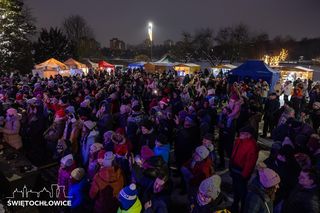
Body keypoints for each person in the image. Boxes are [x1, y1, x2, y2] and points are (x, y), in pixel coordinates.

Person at [229, 125, 259, 213]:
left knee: (242, 192)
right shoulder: (239, 140)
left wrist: (244, 175)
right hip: (234, 169)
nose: (239, 135)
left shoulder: (252, 146)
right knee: (235, 189)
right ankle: (235, 206)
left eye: (242, 134)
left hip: (241, 172)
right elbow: (234, 151)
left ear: (248, 135)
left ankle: (243, 209)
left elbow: (250, 162)